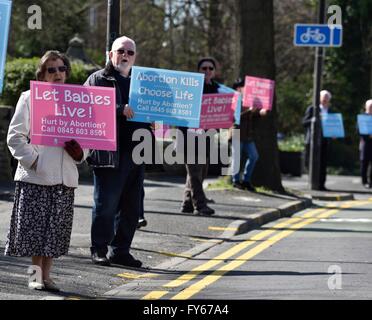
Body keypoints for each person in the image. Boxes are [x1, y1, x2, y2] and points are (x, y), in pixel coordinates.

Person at [5, 50, 87, 291]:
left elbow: (90, 140)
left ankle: (47, 277)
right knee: (33, 234)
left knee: (54, 233)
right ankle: (34, 278)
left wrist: (80, 154)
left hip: (65, 177)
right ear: (42, 75)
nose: (58, 73)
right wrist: (35, 161)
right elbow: (15, 137)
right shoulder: (28, 98)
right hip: (36, 177)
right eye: (52, 69)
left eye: (62, 68)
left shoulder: (78, 100)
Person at [85, 36, 150, 268]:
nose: (125, 56)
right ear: (110, 54)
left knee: (131, 208)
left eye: (130, 52)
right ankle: (99, 249)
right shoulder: (98, 79)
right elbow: (87, 108)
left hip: (136, 153)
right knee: (106, 205)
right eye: (120, 51)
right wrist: (118, 109)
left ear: (135, 57)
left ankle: (121, 251)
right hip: (108, 152)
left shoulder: (143, 82)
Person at [179, 57, 219, 215]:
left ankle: (187, 203)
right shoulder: (191, 88)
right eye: (204, 68)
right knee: (194, 173)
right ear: (198, 71)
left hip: (207, 137)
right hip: (189, 136)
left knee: (199, 173)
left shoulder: (218, 89)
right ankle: (200, 205)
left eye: (211, 68)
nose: (207, 71)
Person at [230, 78, 268, 191]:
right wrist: (249, 111)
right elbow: (233, 117)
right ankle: (235, 180)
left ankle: (246, 180)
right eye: (244, 86)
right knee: (236, 158)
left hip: (248, 134)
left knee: (254, 156)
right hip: (236, 133)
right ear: (238, 88)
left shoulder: (250, 100)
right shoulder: (234, 100)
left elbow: (254, 114)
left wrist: (260, 113)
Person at [302, 90, 332, 191]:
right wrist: (315, 120)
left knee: (323, 163)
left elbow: (333, 125)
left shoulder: (330, 111)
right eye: (323, 99)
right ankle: (312, 183)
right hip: (312, 140)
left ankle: (322, 185)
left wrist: (334, 133)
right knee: (310, 162)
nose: (325, 101)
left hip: (324, 141)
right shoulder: (312, 109)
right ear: (319, 99)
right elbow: (304, 122)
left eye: (327, 100)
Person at [359, 99, 372, 188]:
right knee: (364, 163)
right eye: (370, 106)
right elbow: (359, 130)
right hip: (365, 143)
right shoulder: (362, 117)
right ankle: (364, 181)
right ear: (366, 107)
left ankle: (371, 181)